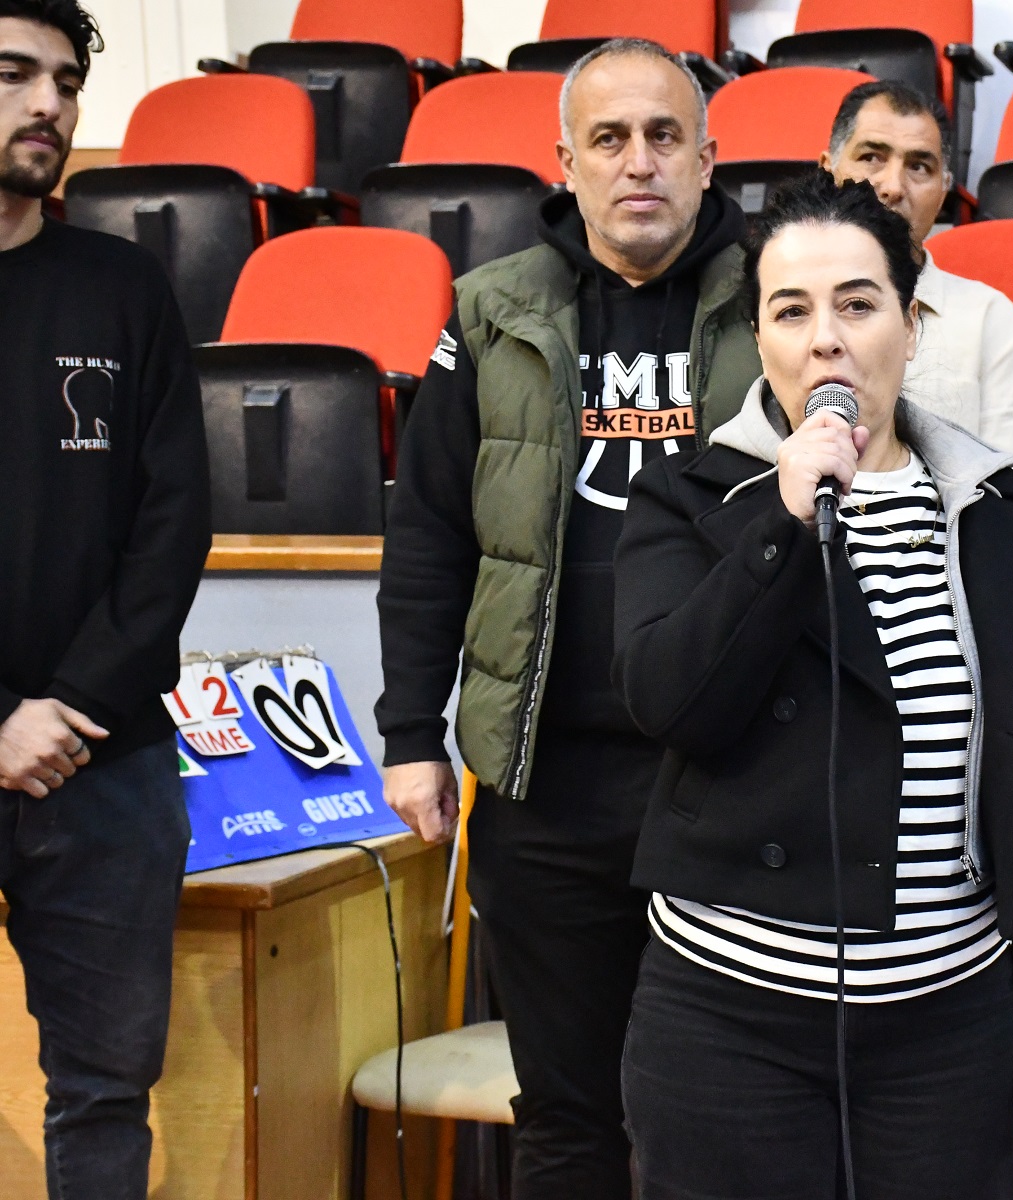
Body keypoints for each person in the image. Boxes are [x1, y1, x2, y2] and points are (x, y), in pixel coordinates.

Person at [610, 172, 1013, 1198]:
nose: (827, 340)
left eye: (857, 303)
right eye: (792, 311)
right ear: (760, 339)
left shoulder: (995, 515)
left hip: (948, 1026)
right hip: (730, 1026)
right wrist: (783, 525)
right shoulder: (692, 499)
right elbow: (672, 704)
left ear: (911, 325)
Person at [374, 38, 760, 1199]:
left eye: (663, 136)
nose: (638, 162)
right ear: (567, 162)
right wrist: (410, 733)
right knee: (565, 1113)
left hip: (731, 785)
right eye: (609, 139)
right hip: (545, 792)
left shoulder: (779, 301)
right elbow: (429, 535)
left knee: (729, 1118)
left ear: (706, 159)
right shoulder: (491, 312)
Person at [0, 2, 212, 1196]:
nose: (49, 104)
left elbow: (173, 524)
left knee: (102, 1093)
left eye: (66, 81)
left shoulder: (124, 287)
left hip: (104, 764)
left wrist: (67, 707)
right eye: (13, 73)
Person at [821, 80, 1013, 482]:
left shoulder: (993, 323)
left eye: (919, 167)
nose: (893, 187)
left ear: (943, 192)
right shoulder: (776, 313)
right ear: (828, 171)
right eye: (871, 157)